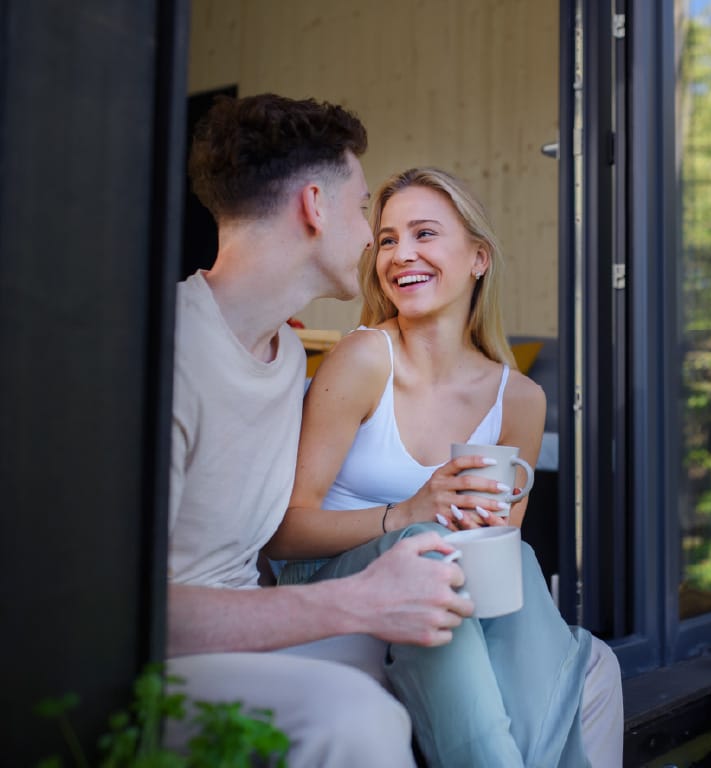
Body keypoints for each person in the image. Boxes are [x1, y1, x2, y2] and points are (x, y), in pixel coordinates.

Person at [265, 167, 624, 767]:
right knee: (429, 554)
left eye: (424, 233)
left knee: (538, 590)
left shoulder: (520, 400)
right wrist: (409, 514)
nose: (401, 254)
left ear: (479, 258)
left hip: (447, 598)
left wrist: (478, 528)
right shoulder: (363, 359)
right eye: (387, 239)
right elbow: (283, 531)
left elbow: (497, 555)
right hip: (332, 587)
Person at [165, 94, 478, 767]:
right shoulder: (165, 354)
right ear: (313, 205)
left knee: (544, 662)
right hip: (159, 664)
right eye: (363, 208)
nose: (370, 237)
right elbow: (112, 614)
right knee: (357, 718)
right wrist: (355, 600)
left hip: (251, 630)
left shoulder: (283, 354)